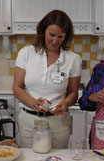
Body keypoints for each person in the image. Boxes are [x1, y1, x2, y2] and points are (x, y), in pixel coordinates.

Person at [13, 10, 82, 148]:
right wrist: (33, 102)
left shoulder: (73, 59)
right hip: (28, 121)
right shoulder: (26, 53)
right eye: (51, 35)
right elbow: (17, 87)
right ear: (43, 31)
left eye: (60, 37)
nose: (55, 41)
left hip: (58, 123)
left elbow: (73, 93)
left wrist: (66, 103)